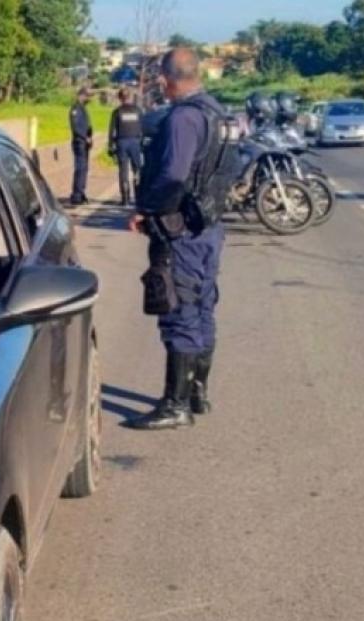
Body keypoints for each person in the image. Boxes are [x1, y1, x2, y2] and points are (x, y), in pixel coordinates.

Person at [127, 48, 228, 430]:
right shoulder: (215, 111)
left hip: (181, 230)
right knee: (201, 308)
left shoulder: (183, 119)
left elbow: (172, 176)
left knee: (180, 310)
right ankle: (197, 393)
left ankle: (176, 404)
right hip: (207, 227)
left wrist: (146, 210)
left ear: (166, 80)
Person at [108, 88, 145, 206]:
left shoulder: (117, 112)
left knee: (123, 171)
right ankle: (139, 197)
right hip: (135, 142)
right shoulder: (138, 111)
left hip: (122, 142)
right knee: (137, 170)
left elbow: (112, 130)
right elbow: (143, 127)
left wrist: (111, 146)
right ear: (130, 97)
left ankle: (125, 199)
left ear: (120, 98)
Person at [68, 86, 94, 205]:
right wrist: (85, 138)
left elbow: (86, 126)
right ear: (82, 95)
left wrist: (89, 137)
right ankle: (76, 195)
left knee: (84, 169)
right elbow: (76, 128)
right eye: (88, 96)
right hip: (80, 142)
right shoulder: (76, 109)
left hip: (85, 143)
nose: (89, 99)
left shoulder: (83, 108)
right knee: (80, 168)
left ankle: (81, 192)